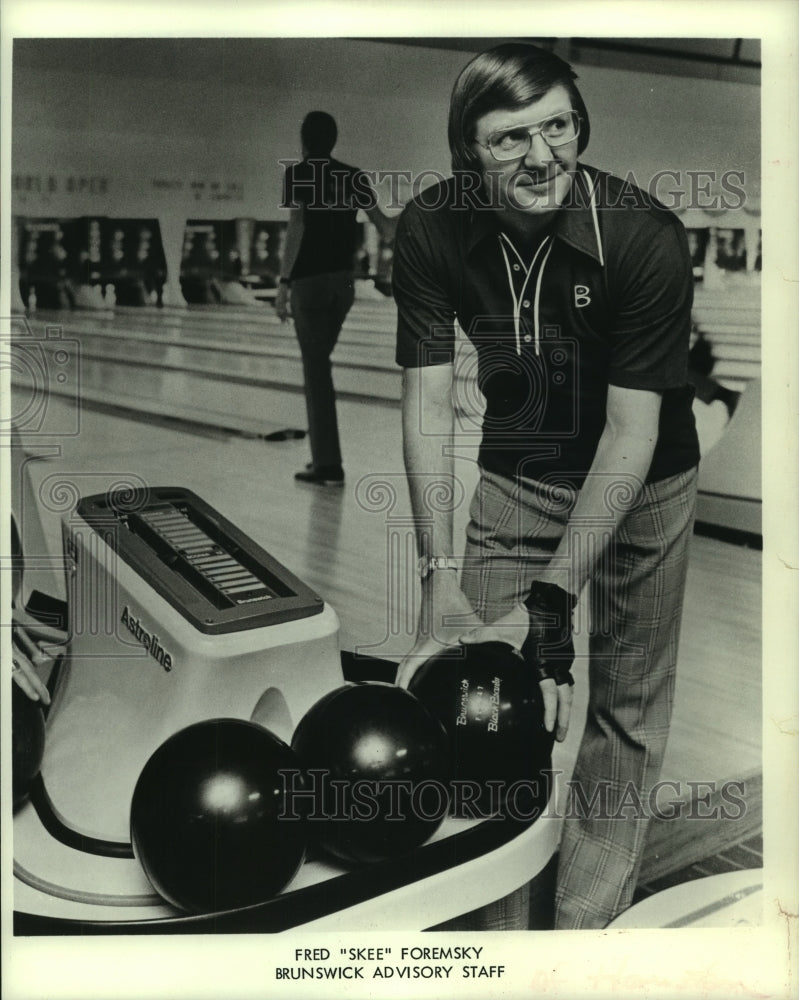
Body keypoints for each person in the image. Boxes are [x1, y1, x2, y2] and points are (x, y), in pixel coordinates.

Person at [393, 43, 700, 930]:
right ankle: (499, 934)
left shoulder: (642, 237)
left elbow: (630, 432)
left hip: (642, 485)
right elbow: (422, 407)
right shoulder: (430, 227)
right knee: (479, 700)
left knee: (624, 711)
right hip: (516, 477)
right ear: (466, 152)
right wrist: (436, 578)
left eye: (558, 126)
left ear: (580, 125)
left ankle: (579, 934)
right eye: (509, 139)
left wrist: (552, 605)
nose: (541, 157)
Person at [276, 111, 397, 485]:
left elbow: (296, 229)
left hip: (309, 283)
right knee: (320, 365)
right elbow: (386, 226)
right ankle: (324, 459)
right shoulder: (353, 175)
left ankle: (328, 464)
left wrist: (283, 283)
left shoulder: (296, 174)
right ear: (333, 139)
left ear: (304, 140)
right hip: (344, 284)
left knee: (315, 370)